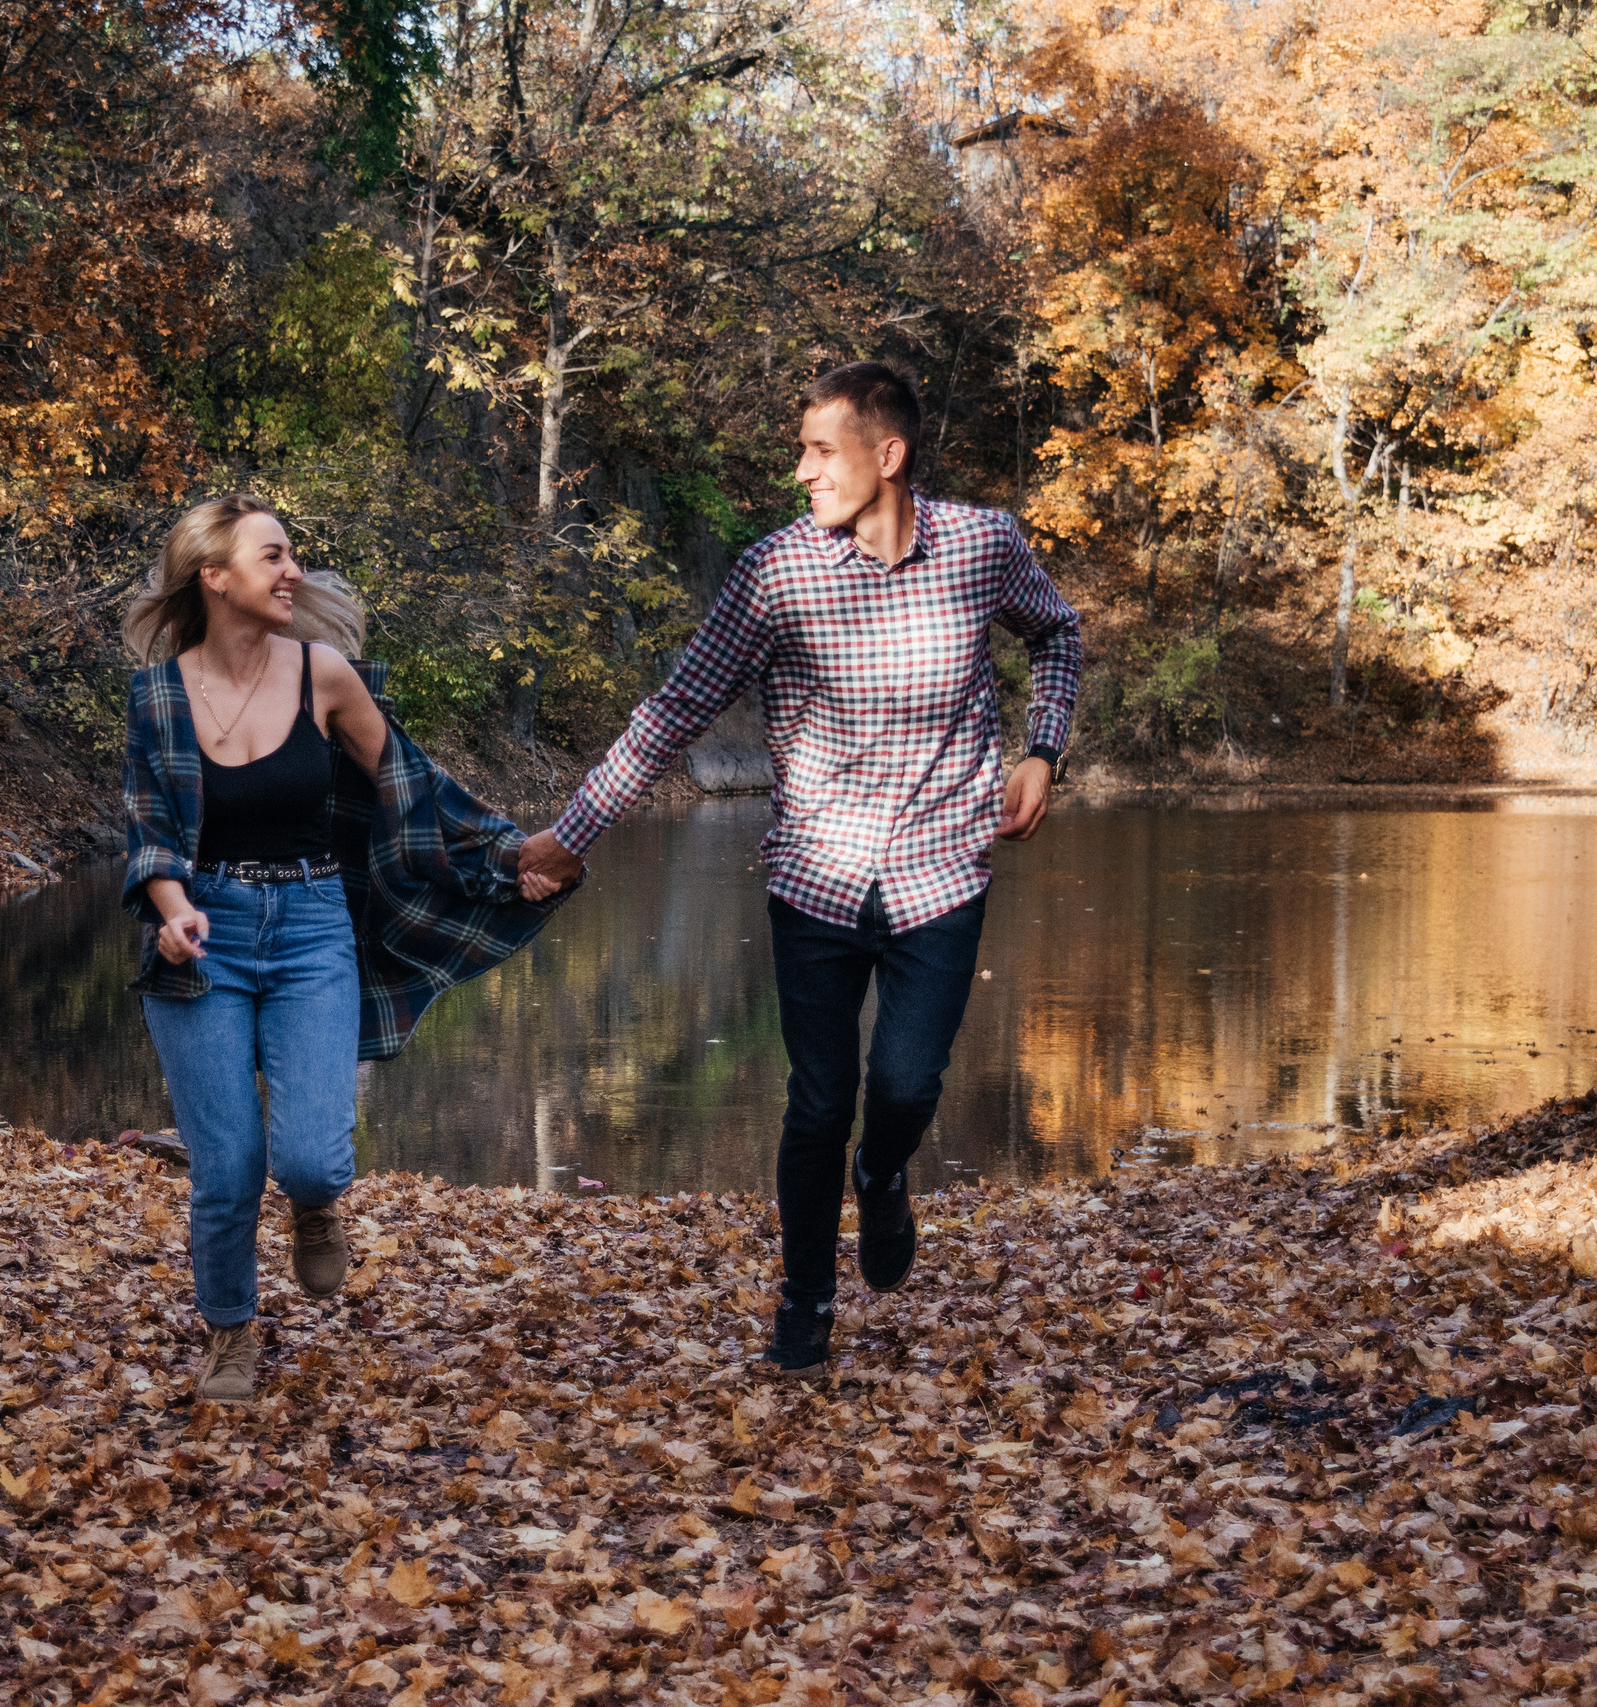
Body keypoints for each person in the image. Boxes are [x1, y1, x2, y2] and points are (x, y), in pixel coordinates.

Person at [516, 361, 1083, 1376]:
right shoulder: (776, 572)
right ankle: (805, 1301)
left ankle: (886, 1170)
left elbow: (1056, 632)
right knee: (819, 1099)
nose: (801, 472)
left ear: (887, 455)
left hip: (940, 869)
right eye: (801, 451)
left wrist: (1041, 749)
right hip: (815, 877)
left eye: (820, 451)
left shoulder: (981, 547)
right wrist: (574, 833)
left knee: (903, 1086)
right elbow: (672, 712)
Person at [122, 495, 568, 1403]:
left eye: (292, 557)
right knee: (227, 1169)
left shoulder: (324, 675)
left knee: (311, 1159)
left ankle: (317, 1206)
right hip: (203, 938)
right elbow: (147, 830)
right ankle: (231, 1335)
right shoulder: (160, 695)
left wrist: (507, 858)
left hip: (315, 928)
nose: (294, 572)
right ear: (215, 577)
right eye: (274, 556)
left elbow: (415, 785)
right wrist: (172, 911)